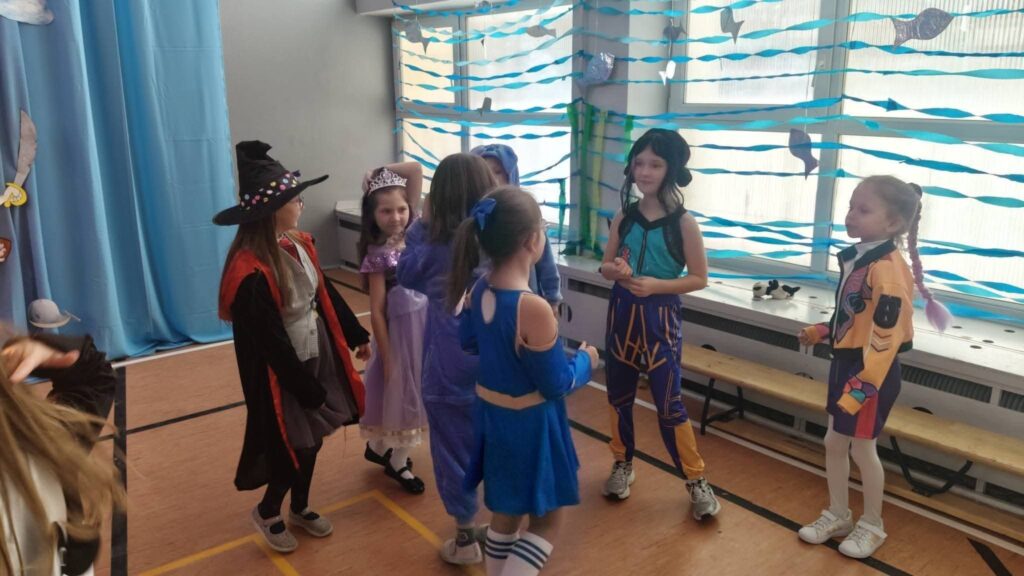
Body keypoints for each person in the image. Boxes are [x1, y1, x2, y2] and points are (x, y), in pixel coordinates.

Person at [215, 141, 370, 553]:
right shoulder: (249, 273)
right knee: (294, 444)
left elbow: (325, 293)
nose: (301, 202)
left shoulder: (298, 242)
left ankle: (300, 506)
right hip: (284, 372)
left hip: (315, 353)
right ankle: (268, 511)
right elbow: (271, 345)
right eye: (293, 198)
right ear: (271, 210)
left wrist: (357, 334)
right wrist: (306, 388)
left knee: (312, 438)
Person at [797, 175, 950, 559]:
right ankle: (838, 513)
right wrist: (823, 330)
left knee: (863, 449)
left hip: (870, 373)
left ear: (893, 223)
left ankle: (872, 524)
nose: (851, 215)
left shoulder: (888, 269)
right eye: (851, 206)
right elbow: (856, 314)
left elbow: (886, 337)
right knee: (834, 442)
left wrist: (864, 385)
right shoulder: (862, 258)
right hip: (846, 364)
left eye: (863, 210)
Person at [449, 188, 597, 575]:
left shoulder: (480, 287)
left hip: (493, 418)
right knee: (546, 521)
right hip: (530, 425)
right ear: (532, 240)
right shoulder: (532, 306)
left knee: (507, 511)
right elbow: (556, 383)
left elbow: (467, 342)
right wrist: (587, 361)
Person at [598, 129, 721, 520]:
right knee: (618, 395)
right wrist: (615, 270)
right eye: (639, 163)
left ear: (672, 169)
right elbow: (605, 265)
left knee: (669, 403)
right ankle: (622, 463)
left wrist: (656, 286)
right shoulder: (624, 216)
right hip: (621, 314)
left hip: (661, 319)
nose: (645, 172)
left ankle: (696, 480)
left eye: (655, 164)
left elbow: (699, 278)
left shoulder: (684, 223)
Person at [396, 153, 496, 564]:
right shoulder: (499, 242)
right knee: (498, 445)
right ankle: (504, 527)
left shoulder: (432, 245)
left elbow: (405, 275)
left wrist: (422, 224)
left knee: (454, 451)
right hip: (498, 364)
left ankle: (465, 536)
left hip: (448, 366)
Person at [357, 163, 429, 494]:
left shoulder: (415, 232)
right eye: (385, 211)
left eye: (401, 209)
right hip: (400, 339)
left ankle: (377, 448)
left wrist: (377, 171)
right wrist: (387, 359)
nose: (396, 217)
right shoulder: (377, 254)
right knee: (403, 395)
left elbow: (414, 169)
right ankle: (398, 461)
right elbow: (376, 311)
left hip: (424, 332)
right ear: (372, 215)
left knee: (417, 392)